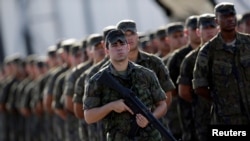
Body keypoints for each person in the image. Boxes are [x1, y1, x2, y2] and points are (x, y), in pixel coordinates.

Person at [83, 29, 167, 141]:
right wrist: (111, 106)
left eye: (122, 44)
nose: (119, 48)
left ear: (128, 47)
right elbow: (88, 117)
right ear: (107, 50)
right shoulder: (97, 80)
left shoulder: (146, 74)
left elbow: (162, 104)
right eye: (114, 45)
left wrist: (150, 118)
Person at [192, 2, 250, 125]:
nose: (229, 19)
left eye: (231, 15)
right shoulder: (208, 51)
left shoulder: (248, 43)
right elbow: (199, 86)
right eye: (224, 16)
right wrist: (221, 100)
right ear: (216, 21)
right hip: (225, 120)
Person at [177, 13, 219, 141]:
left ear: (218, 28)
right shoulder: (190, 59)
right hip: (204, 119)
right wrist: (202, 102)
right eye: (205, 28)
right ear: (198, 31)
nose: (209, 31)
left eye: (212, 27)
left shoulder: (229, 53)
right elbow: (183, 92)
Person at [116, 19, 175, 109]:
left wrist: (153, 116)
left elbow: (167, 95)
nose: (129, 38)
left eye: (132, 33)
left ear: (137, 36)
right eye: (125, 35)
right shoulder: (111, 67)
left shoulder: (154, 62)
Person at [166, 15, 200, 141]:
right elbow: (172, 92)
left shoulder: (206, 53)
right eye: (175, 37)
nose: (180, 40)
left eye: (181, 36)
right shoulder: (172, 60)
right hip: (179, 117)